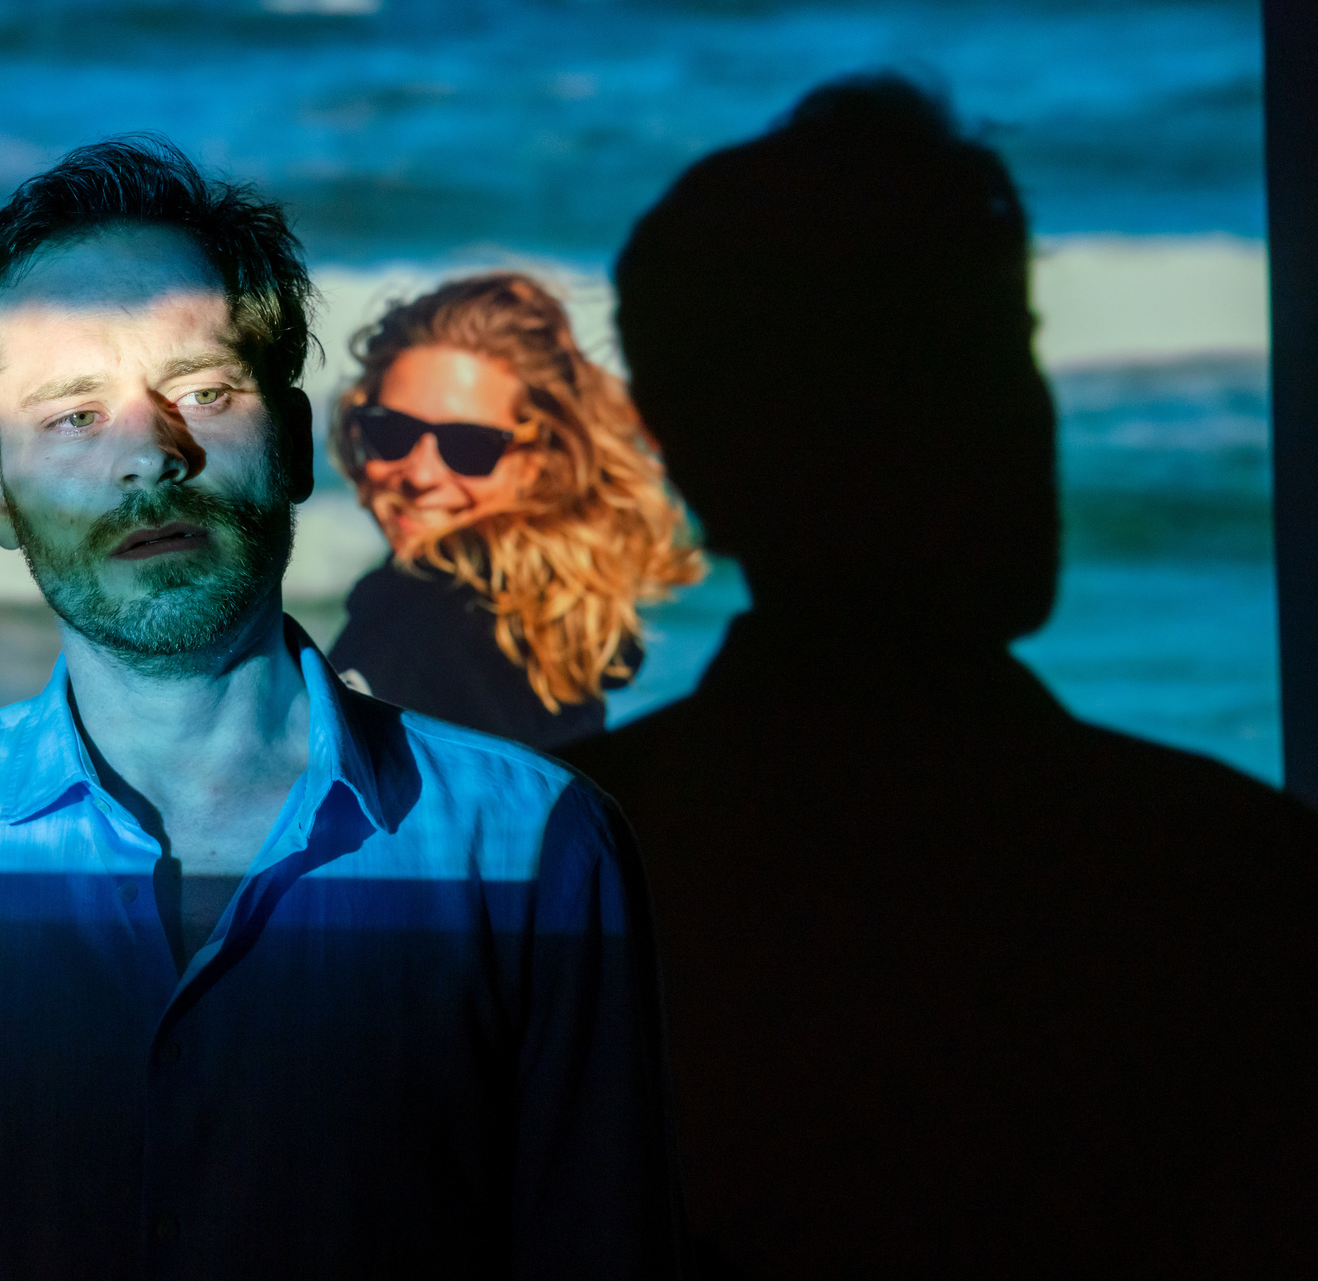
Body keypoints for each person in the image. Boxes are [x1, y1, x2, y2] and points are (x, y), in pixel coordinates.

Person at [0, 137, 676, 1279]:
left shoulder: (540, 844)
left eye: (204, 393)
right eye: (73, 416)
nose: (150, 455)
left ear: (294, 442)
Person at [563, 75, 1318, 1277]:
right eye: (963, 363)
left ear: (681, 449)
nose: (1020, 423)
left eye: (1003, 355)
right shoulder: (1238, 887)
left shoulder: (532, 885)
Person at [327, 274, 702, 751]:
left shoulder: (448, 622)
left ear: (538, 460)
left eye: (469, 446)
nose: (420, 475)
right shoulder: (549, 622)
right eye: (392, 432)